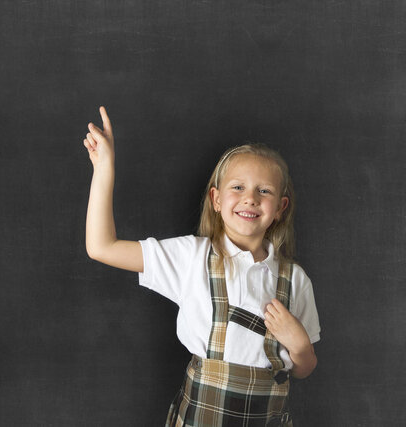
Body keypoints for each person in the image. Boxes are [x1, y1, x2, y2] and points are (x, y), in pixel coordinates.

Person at [82, 106, 320, 426]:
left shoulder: (295, 281)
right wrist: (104, 168)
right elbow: (102, 247)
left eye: (264, 191)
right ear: (217, 199)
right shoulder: (190, 257)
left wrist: (300, 345)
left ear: (280, 207)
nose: (250, 198)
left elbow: (304, 368)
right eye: (238, 187)